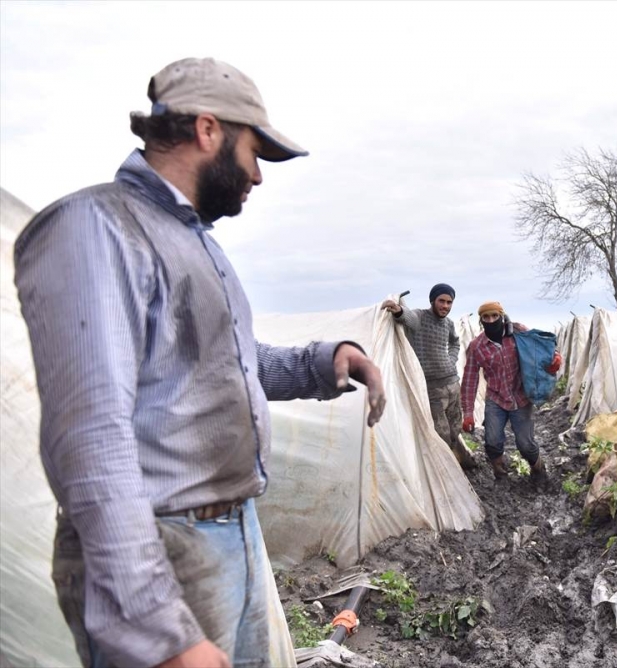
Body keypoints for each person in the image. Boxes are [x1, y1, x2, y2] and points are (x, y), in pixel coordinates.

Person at [14, 57, 386, 668]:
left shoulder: (192, 242)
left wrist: (327, 361)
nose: (257, 175)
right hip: (163, 548)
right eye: (255, 153)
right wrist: (158, 630)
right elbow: (89, 438)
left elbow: (231, 366)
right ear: (208, 130)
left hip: (230, 535)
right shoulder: (97, 228)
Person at [460, 301, 560, 481]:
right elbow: (469, 379)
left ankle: (538, 470)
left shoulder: (518, 332)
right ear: (481, 321)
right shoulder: (477, 346)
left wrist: (554, 358)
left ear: (501, 316)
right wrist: (468, 413)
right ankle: (501, 475)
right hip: (496, 398)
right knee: (492, 441)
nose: (491, 320)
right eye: (486, 317)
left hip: (520, 397)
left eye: (494, 316)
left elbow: (539, 348)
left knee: (526, 445)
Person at [381, 284, 476, 470]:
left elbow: (455, 343)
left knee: (455, 427)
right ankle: (447, 469)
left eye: (449, 302)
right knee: (441, 433)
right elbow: (407, 317)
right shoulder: (420, 317)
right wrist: (398, 310)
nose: (445, 306)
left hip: (452, 383)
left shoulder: (449, 324)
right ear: (432, 300)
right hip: (432, 389)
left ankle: (460, 458)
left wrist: (451, 360)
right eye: (441, 301)